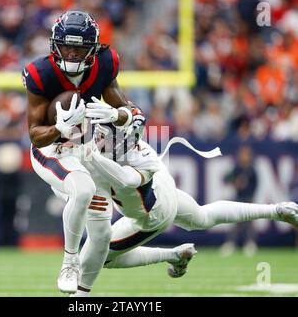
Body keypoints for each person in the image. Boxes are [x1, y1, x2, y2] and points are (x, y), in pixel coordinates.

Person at [70, 124, 298, 297]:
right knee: (202, 216)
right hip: (162, 186)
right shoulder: (135, 146)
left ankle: (172, 255)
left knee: (100, 257)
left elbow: (122, 178)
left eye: (103, 137)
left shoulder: (120, 165)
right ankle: (277, 210)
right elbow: (126, 117)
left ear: (119, 143)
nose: (97, 140)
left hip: (153, 212)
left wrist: (88, 155)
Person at [22, 10, 145, 293]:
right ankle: (70, 261)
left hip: (87, 151)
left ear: (93, 48)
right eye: (66, 46)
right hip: (52, 151)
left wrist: (121, 116)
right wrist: (60, 128)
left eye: (79, 48)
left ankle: (83, 293)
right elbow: (35, 136)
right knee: (83, 189)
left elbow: (125, 108)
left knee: (102, 233)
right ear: (54, 45)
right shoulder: (40, 73)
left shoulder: (105, 63)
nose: (72, 54)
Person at [221, 145, 259, 257]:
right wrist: (235, 182)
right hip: (238, 199)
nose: (244, 156)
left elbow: (256, 185)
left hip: (249, 199)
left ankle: (250, 243)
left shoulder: (252, 170)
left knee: (249, 223)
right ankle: (230, 243)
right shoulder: (237, 168)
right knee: (236, 222)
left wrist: (251, 197)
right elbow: (226, 178)